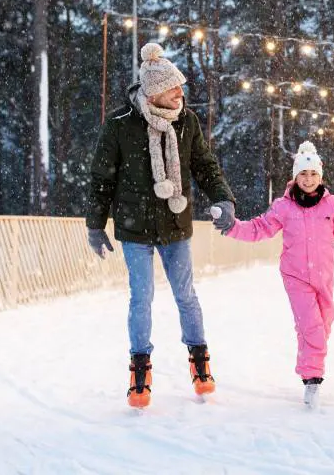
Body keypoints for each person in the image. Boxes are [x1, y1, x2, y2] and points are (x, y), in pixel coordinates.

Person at [85, 43, 237, 409]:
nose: (180, 94)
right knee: (142, 297)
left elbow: (205, 165)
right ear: (154, 91)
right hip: (134, 228)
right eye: (173, 88)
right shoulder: (121, 124)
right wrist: (95, 224)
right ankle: (140, 369)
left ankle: (200, 363)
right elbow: (101, 178)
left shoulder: (187, 121)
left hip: (174, 223)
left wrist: (224, 198)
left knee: (185, 295)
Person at [214, 141, 334, 409]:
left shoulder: (331, 204)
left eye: (313, 174)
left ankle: (310, 360)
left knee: (323, 322)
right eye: (303, 174)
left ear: (320, 176)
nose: (308, 180)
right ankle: (312, 379)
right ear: (295, 177)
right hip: (296, 276)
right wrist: (232, 226)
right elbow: (259, 228)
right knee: (312, 327)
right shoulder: (283, 207)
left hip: (324, 276)